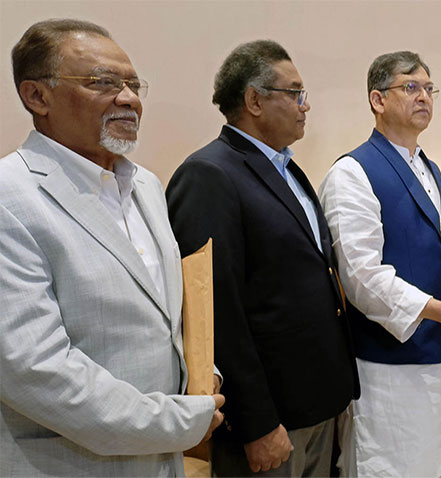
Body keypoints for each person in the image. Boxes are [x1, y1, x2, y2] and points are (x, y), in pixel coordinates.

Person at [0, 19, 223, 476]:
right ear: (36, 96)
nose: (129, 99)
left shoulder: (146, 185)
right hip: (66, 464)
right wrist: (177, 422)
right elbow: (34, 369)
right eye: (102, 82)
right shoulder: (10, 198)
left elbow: (161, 320)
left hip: (162, 461)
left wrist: (203, 373)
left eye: (133, 84)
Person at [166, 40, 358, 477]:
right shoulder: (209, 174)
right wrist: (256, 422)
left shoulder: (287, 169)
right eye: (295, 93)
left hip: (318, 401)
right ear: (254, 100)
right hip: (271, 417)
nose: (305, 105)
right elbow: (216, 311)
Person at [319, 50, 441, 477]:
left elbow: (430, 244)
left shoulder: (431, 169)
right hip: (393, 370)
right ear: (377, 99)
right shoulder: (352, 172)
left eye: (428, 88)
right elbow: (362, 277)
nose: (423, 96)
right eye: (410, 87)